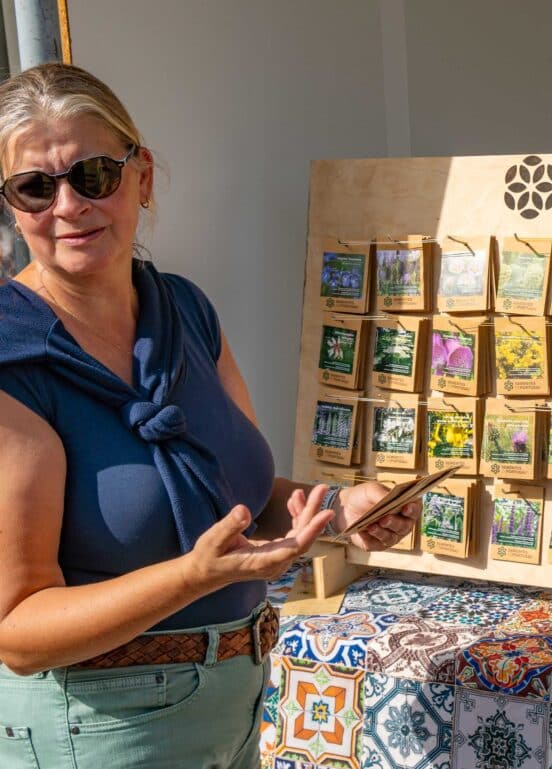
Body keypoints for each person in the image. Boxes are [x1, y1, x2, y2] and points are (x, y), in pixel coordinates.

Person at [0, 63, 419, 768]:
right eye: (36, 188)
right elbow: (16, 630)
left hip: (237, 703)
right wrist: (193, 578)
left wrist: (337, 508)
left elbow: (239, 505)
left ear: (143, 175)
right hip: (100, 733)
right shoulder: (13, 363)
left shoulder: (184, 311)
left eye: (93, 174)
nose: (68, 206)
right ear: (12, 207)